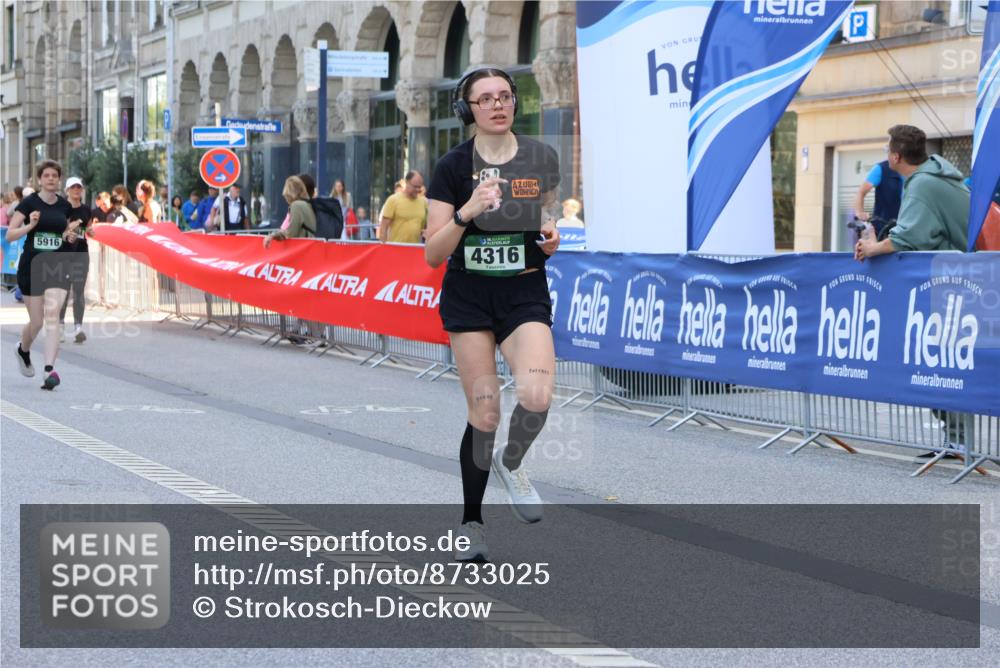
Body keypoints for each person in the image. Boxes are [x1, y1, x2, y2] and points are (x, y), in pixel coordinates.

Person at [425, 67, 561, 562]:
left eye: (504, 96)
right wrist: (467, 211)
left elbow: (545, 217)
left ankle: (512, 460)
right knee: (485, 412)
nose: (497, 105)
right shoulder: (452, 166)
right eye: (485, 99)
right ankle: (472, 524)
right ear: (468, 110)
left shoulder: (540, 158)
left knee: (538, 395)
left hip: (523, 290)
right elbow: (433, 254)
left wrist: (550, 235)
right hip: (470, 296)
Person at [855, 124, 970, 459]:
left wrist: (873, 248)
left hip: (953, 283)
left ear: (895, 156)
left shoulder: (922, 184)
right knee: (945, 362)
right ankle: (957, 440)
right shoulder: (936, 175)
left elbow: (910, 237)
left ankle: (959, 441)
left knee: (940, 362)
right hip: (960, 278)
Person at [6, 160, 82, 390]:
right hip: (31, 266)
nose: (50, 179)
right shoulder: (29, 203)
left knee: (52, 314)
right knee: (37, 322)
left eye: (54, 175)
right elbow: (10, 235)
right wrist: (30, 226)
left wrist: (69, 236)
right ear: (40, 179)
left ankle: (49, 370)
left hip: (57, 266)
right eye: (46, 175)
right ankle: (23, 349)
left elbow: (66, 232)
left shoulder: (64, 206)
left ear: (59, 180)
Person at [58, 177, 92, 344]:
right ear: (67, 190)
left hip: (81, 253)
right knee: (64, 291)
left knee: (78, 291)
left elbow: (88, 229)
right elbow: (60, 229)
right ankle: (60, 327)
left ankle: (78, 328)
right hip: (64, 254)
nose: (77, 190)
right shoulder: (62, 208)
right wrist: (74, 225)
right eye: (73, 187)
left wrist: (90, 231)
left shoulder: (86, 209)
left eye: (79, 187)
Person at [853, 158, 903, 237]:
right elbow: (861, 193)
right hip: (884, 229)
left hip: (909, 228)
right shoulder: (882, 168)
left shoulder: (917, 169)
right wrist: (860, 213)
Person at [263, 176, 317, 248]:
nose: (286, 199)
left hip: (304, 248)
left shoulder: (296, 205)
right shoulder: (308, 203)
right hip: (314, 246)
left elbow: (291, 232)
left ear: (289, 193)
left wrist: (273, 235)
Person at [378, 171, 428, 244]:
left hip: (415, 248)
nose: (418, 189)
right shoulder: (393, 200)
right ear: (406, 182)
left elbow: (425, 226)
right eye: (415, 186)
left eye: (419, 187)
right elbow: (384, 227)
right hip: (396, 248)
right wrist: (384, 247)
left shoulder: (424, 202)